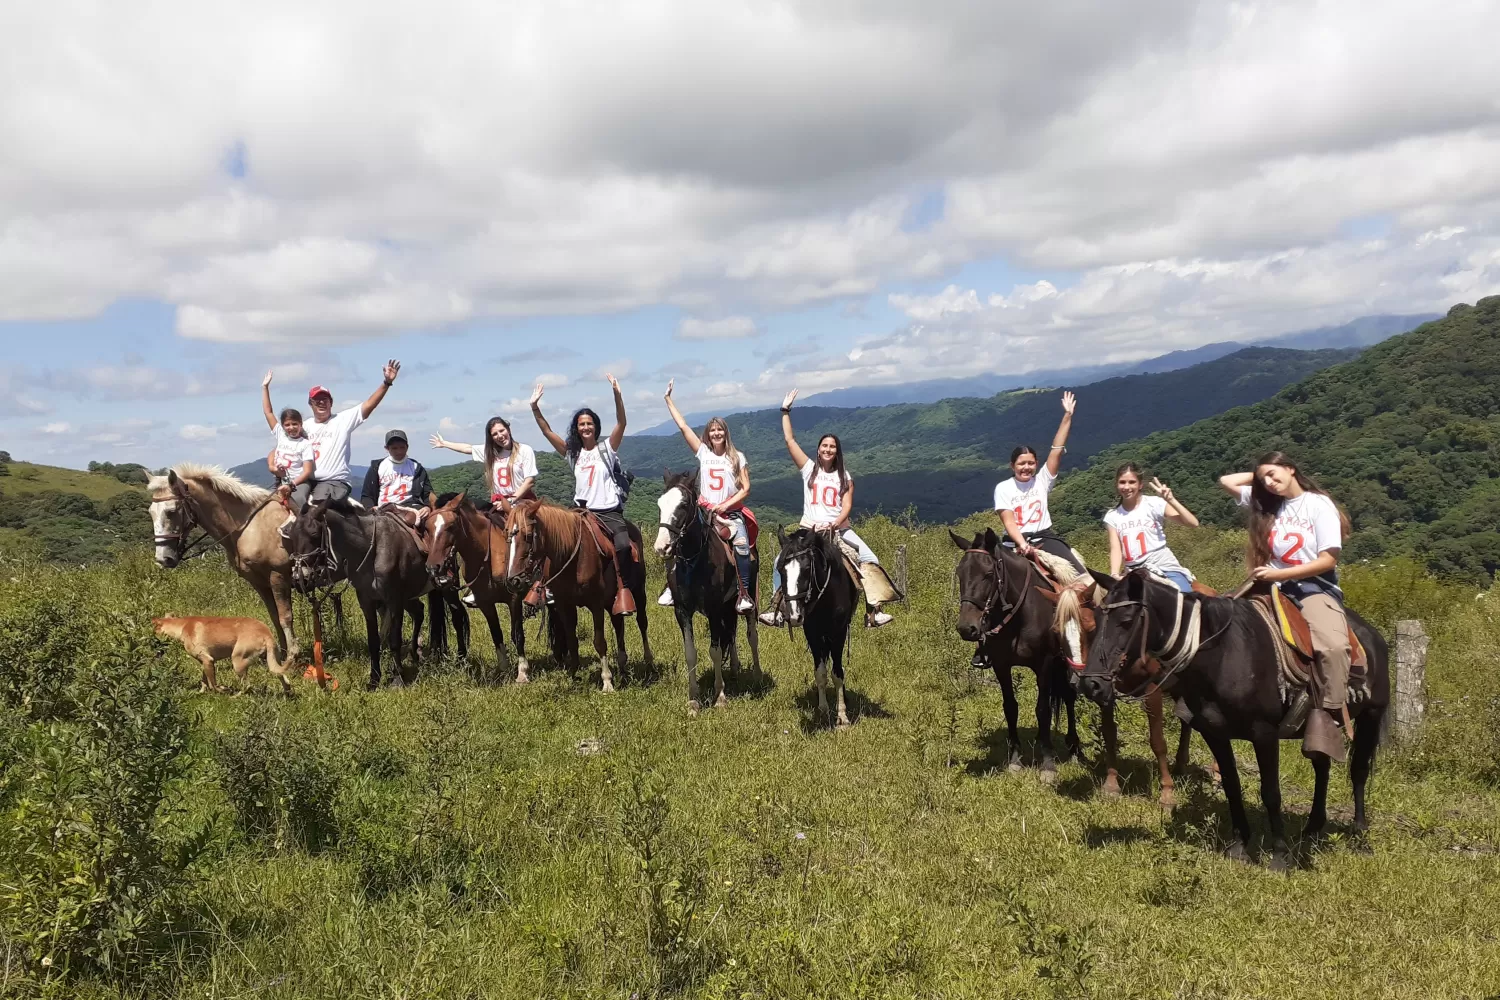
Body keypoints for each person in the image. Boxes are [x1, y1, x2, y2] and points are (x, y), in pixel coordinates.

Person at [1219, 452, 1355, 763]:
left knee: (1333, 646)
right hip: (1268, 585)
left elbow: (1328, 559)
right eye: (1263, 477)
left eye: (1274, 474)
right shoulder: (1268, 503)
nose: (1269, 481)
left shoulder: (1318, 505)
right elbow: (1226, 481)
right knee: (1221, 623)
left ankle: (1329, 716)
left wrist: (1279, 573)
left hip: (1312, 586)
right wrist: (1260, 477)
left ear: (1291, 469)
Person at [759, 388, 894, 629]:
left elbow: (847, 506)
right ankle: (777, 609)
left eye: (832, 446)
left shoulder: (845, 476)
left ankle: (874, 611)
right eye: (824, 446)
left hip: (838, 531)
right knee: (781, 558)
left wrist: (833, 524)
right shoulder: (809, 469)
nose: (828, 449)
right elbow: (790, 441)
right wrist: (785, 411)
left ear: (837, 451)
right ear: (818, 449)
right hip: (807, 530)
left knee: (869, 558)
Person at [531, 375, 638, 615]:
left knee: (622, 545)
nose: (586, 427)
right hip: (581, 512)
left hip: (609, 511)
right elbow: (548, 432)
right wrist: (535, 408)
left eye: (589, 423)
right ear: (576, 428)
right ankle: (544, 586)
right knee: (550, 543)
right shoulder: (573, 454)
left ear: (596, 426)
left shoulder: (607, 449)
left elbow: (621, 423)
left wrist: (617, 395)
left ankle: (625, 589)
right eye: (581, 424)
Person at [660, 379, 756, 614]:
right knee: (679, 539)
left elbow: (745, 488)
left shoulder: (737, 457)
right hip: (704, 511)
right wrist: (668, 400)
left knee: (742, 547)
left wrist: (723, 505)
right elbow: (684, 427)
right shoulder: (703, 453)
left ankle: (743, 593)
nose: (716, 433)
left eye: (720, 430)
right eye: (712, 430)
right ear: (708, 434)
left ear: (726, 433)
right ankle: (672, 587)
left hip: (730, 513)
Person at [264, 360, 401, 504]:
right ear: (310, 404)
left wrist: (386, 383)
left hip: (334, 482)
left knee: (317, 509)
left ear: (331, 402)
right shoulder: (304, 426)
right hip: (308, 482)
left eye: (325, 399)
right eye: (317, 400)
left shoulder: (342, 420)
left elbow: (368, 405)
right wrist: (272, 466)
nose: (321, 403)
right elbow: (281, 447)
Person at [995, 391, 1084, 574]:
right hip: (1014, 542)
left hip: (1045, 538)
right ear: (1012, 466)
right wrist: (1021, 543)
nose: (1026, 467)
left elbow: (1056, 451)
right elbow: (1009, 522)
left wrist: (1067, 416)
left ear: (1036, 464)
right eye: (1021, 463)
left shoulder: (1042, 481)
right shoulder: (1003, 488)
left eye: (1030, 463)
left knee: (1083, 578)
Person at [1104, 463, 1199, 593]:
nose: (1127, 487)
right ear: (1117, 484)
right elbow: (1116, 547)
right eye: (1122, 482)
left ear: (1140, 485)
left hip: (1163, 566)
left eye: (1132, 482)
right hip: (1133, 572)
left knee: (1185, 597)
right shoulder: (1112, 516)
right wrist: (1114, 573)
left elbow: (1192, 523)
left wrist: (1171, 500)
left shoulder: (1154, 504)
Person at [430, 417, 538, 505]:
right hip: (498, 502)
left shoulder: (524, 450)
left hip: (523, 502)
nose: (500, 436)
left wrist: (511, 500)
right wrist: (444, 444)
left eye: (502, 431)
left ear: (508, 430)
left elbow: (529, 481)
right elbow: (467, 448)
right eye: (495, 434)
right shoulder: (490, 452)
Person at [261, 371, 316, 512]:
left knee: (297, 504)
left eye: (294, 424)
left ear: (300, 424)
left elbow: (307, 471)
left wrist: (291, 484)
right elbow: (268, 412)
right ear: (283, 426)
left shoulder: (305, 444)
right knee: (265, 509)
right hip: (280, 481)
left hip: (299, 483)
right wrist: (265, 387)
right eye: (287, 425)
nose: (291, 428)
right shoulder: (281, 434)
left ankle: (302, 532)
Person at [359, 429, 435, 510]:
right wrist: (370, 508)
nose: (399, 451)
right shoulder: (377, 467)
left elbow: (428, 494)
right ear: (387, 448)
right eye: (394, 448)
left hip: (411, 509)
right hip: (383, 510)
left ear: (407, 447)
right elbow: (367, 495)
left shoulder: (417, 468)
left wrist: (428, 507)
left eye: (402, 447)